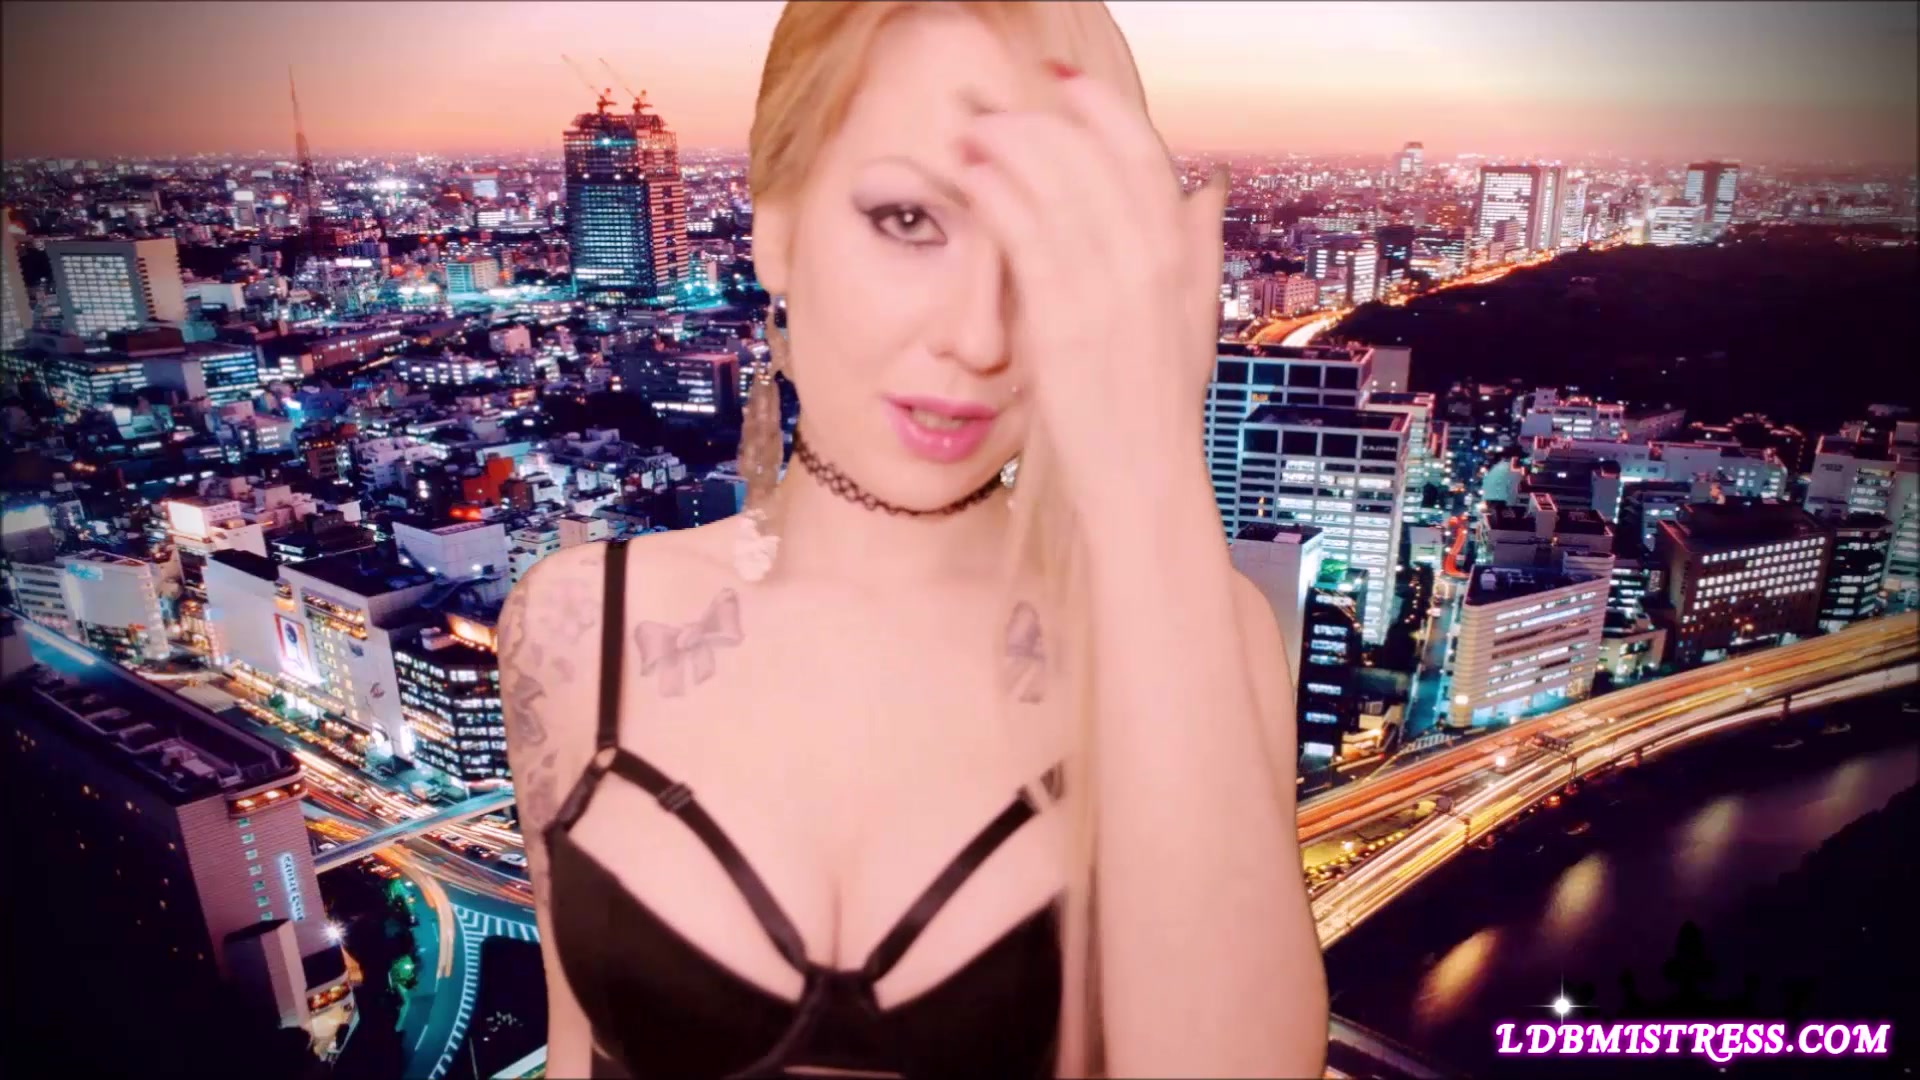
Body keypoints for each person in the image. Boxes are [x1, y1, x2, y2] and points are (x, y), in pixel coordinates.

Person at [499, 2, 1328, 1077]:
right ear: (776, 228)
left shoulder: (1198, 633)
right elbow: (577, 1046)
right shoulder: (575, 624)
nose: (980, 337)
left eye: (1045, 255)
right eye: (908, 221)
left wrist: (1150, 474)